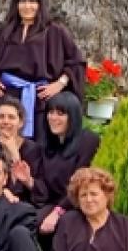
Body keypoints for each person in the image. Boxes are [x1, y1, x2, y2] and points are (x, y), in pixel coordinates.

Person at [0, 0, 84, 140]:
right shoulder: (4, 32)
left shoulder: (54, 32)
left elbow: (76, 61)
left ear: (40, 4)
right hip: (7, 100)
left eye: (32, 1)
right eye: (22, 1)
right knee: (3, 144)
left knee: (38, 146)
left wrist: (59, 84)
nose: (27, 6)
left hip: (39, 100)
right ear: (16, 4)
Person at [25, 91, 100, 238]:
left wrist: (57, 212)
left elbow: (79, 183)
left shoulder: (87, 140)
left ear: (73, 117)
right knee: (20, 220)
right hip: (49, 205)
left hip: (76, 205)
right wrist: (28, 180)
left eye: (60, 113)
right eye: (51, 112)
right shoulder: (46, 146)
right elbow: (45, 190)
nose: (53, 118)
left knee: (39, 225)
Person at [0, 97, 44, 201]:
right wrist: (2, 192)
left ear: (20, 122)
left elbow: (41, 192)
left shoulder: (33, 149)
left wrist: (15, 154)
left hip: (24, 202)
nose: (5, 121)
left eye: (11, 117)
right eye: (1, 117)